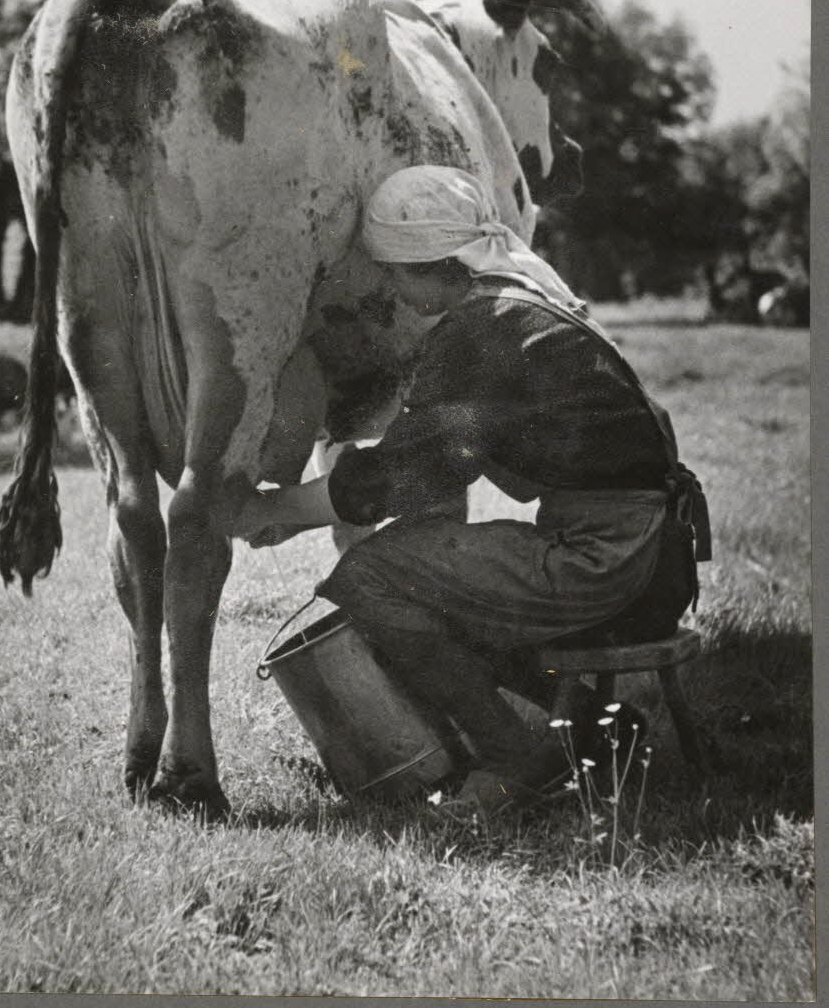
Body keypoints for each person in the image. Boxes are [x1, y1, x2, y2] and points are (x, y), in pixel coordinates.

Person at [235, 165, 710, 816]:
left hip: (608, 560)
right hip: (656, 557)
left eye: (396, 272)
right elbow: (443, 457)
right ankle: (595, 731)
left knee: (372, 576)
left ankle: (512, 759)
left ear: (429, 263)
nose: (394, 292)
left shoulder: (481, 327)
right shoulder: (518, 302)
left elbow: (397, 477)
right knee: (429, 573)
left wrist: (275, 509)